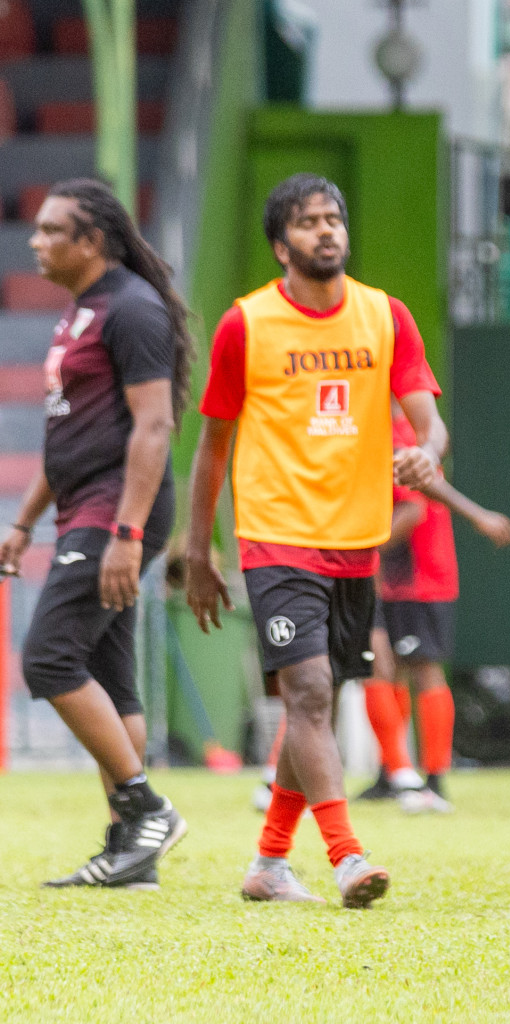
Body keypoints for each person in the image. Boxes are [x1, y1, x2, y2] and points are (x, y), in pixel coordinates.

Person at [185, 173, 447, 907]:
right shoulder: (247, 324)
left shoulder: (384, 316)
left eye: (333, 217)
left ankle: (270, 863)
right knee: (308, 692)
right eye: (307, 222)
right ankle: (345, 855)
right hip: (275, 535)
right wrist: (198, 549)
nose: (326, 230)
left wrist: (427, 450)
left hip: (356, 541)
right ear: (281, 245)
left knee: (320, 705)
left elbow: (428, 419)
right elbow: (212, 444)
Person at [0, 179, 194, 891]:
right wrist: (23, 522)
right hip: (87, 505)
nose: (36, 240)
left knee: (49, 658)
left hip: (116, 511)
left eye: (53, 230)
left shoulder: (131, 310)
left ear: (91, 241)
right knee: (112, 681)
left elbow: (153, 427)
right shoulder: (81, 311)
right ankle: (129, 849)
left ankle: (147, 809)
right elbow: (69, 434)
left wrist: (127, 533)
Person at [360, 406, 510, 812]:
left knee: (422, 669)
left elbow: (412, 509)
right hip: (391, 576)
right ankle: (392, 772)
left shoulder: (399, 436)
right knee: (382, 667)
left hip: (419, 576)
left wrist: (360, 551)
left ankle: (433, 778)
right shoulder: (378, 433)